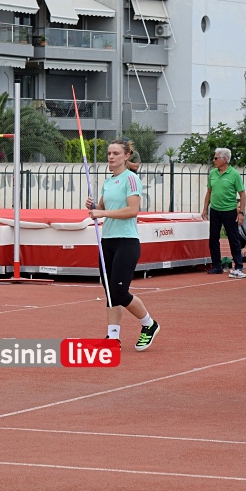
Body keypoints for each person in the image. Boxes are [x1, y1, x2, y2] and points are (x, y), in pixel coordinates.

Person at [86, 139, 160, 351]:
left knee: (119, 292)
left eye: (116, 153)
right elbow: (101, 207)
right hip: (107, 241)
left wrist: (101, 212)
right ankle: (112, 337)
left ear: (126, 156)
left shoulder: (131, 179)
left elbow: (132, 210)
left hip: (126, 241)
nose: (111, 157)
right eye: (109, 153)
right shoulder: (108, 182)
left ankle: (149, 324)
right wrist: (93, 206)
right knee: (110, 293)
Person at [201, 147, 246, 279]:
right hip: (215, 210)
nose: (214, 160)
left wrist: (241, 212)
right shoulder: (213, 173)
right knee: (213, 238)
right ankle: (217, 265)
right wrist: (205, 208)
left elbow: (242, 194)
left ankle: (238, 265)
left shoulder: (234, 174)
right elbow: (209, 192)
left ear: (225, 159)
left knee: (233, 238)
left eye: (216, 158)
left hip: (229, 210)